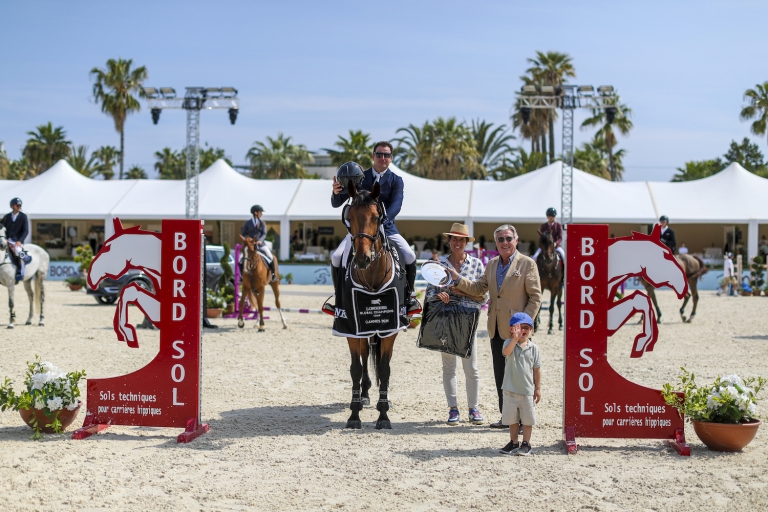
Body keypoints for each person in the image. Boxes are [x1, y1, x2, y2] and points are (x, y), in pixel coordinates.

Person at [445, 224, 542, 429]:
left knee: (521, 376)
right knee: (501, 375)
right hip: (496, 328)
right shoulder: (491, 264)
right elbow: (478, 288)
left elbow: (535, 297)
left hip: (518, 333)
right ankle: (507, 418)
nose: (505, 242)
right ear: (496, 243)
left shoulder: (527, 264)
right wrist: (457, 278)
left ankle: (524, 419)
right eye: (500, 239)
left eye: (508, 238)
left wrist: (524, 326)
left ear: (516, 240)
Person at [324, 142, 419, 315]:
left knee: (410, 255)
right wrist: (336, 193)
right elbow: (337, 203)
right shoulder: (359, 177)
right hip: (360, 230)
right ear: (373, 156)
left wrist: (382, 220)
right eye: (379, 154)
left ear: (391, 158)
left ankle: (410, 298)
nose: (383, 158)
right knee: (336, 257)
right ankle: (339, 300)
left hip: (386, 227)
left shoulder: (396, 180)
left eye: (386, 155)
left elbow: (396, 204)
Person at [426, 223, 487, 425]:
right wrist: (439, 296)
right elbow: (430, 295)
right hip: (446, 320)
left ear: (466, 242)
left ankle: (473, 408)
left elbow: (484, 297)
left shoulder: (477, 264)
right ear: (449, 241)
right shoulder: (439, 265)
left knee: (472, 368)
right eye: (454, 239)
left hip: (468, 322)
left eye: (461, 239)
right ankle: (453, 409)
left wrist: (465, 292)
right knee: (449, 367)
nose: (458, 242)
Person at [499, 312, 541, 456]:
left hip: (527, 390)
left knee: (527, 419)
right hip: (510, 389)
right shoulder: (508, 343)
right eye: (519, 327)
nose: (522, 330)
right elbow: (506, 352)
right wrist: (515, 339)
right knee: (512, 419)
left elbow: (537, 369)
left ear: (531, 330)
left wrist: (538, 388)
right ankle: (514, 442)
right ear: (511, 329)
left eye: (526, 328)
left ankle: (526, 443)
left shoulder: (534, 348)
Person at [241, 204, 277, 282]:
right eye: (260, 212)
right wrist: (246, 241)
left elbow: (264, 234)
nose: (262, 214)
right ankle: (241, 276)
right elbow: (243, 234)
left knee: (270, 257)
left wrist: (260, 240)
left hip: (261, 244)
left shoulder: (263, 223)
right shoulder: (247, 223)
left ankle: (273, 275)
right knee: (241, 258)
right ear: (255, 212)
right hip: (250, 245)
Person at [1, 198, 31, 283]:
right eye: (17, 205)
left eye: (20, 205)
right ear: (12, 206)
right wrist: (5, 238)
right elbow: (2, 227)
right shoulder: (7, 217)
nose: (19, 207)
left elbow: (26, 231)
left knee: (18, 251)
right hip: (7, 240)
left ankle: (20, 271)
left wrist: (20, 241)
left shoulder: (23, 216)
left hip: (16, 241)